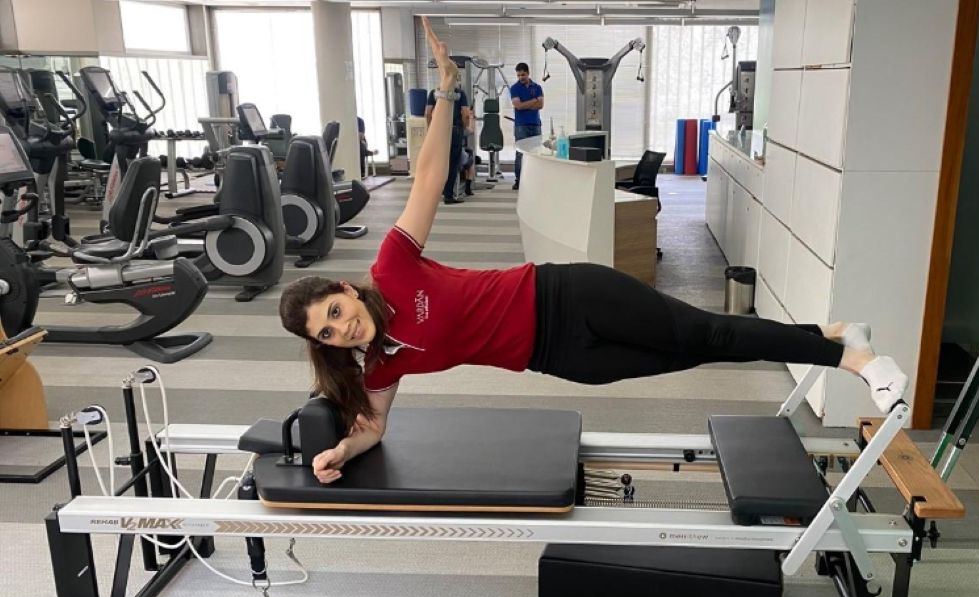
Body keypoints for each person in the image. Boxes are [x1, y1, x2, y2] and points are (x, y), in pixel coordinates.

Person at [279, 17, 908, 485]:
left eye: (333, 313)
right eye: (328, 336)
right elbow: (374, 428)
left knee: (709, 335)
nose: (341, 328)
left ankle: (846, 356)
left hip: (566, 294)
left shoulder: (392, 268)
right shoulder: (382, 365)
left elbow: (427, 178)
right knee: (686, 353)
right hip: (559, 357)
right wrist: (342, 452)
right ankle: (829, 334)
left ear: (343, 291)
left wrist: (447, 92)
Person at [425, 76, 470, 204]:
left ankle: (434, 193)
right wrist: (464, 127)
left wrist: (430, 130)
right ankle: (448, 195)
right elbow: (466, 113)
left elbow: (428, 113)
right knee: (453, 163)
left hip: (438, 131)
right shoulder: (460, 93)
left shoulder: (434, 93)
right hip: (455, 130)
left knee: (439, 163)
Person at [509, 62, 544, 191]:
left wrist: (525, 104)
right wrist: (534, 100)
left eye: (523, 75)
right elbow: (518, 106)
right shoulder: (514, 88)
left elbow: (540, 105)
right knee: (520, 154)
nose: (520, 78)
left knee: (536, 153)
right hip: (521, 126)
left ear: (528, 73)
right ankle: (518, 181)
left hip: (535, 124)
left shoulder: (537, 87)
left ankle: (535, 179)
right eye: (518, 75)